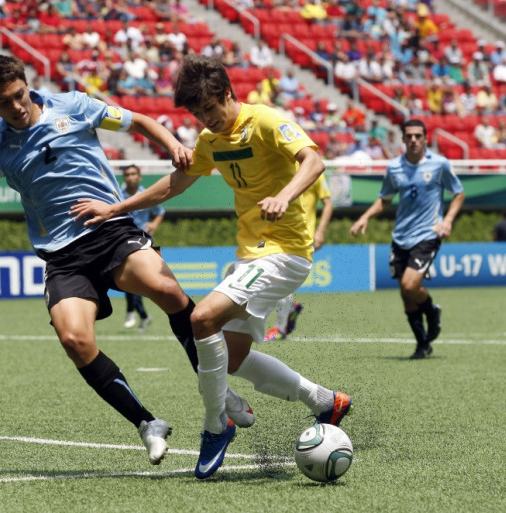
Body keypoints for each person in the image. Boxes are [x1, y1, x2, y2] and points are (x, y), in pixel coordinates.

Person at [0, 54, 253, 467]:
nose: (16, 107)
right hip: (63, 257)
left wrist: (173, 143)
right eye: (3, 103)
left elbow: (138, 121)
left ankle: (218, 390)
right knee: (75, 341)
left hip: (110, 229)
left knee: (168, 291)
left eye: (18, 96)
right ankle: (146, 423)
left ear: (27, 85)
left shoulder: (73, 105)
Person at [71, 54, 352, 479]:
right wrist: (118, 208)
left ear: (227, 94)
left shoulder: (266, 121)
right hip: (251, 255)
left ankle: (215, 425)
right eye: (198, 113)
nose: (206, 119)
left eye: (209, 108)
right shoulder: (210, 140)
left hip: (285, 251)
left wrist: (286, 196)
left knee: (201, 318)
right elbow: (174, 184)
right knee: (233, 359)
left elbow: (313, 160)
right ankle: (325, 401)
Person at [350, 119, 465, 360]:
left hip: (428, 234)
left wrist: (448, 220)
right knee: (405, 294)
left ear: (425, 139)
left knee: (409, 285)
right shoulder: (394, 168)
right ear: (403, 139)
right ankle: (423, 344)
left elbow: (458, 193)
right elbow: (385, 198)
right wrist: (365, 217)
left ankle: (432, 312)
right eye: (409, 136)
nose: (413, 140)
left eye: (418, 136)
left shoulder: (439, 164)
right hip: (401, 236)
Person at [263, 173, 333, 341]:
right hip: (277, 235)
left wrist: (320, 231)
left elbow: (328, 203)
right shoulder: (280, 167)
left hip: (302, 237)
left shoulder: (314, 172)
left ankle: (280, 328)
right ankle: (289, 309)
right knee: (275, 280)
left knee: (279, 278)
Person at [119, 164, 165, 331]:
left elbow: (160, 211)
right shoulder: (119, 195)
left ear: (139, 177)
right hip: (124, 239)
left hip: (143, 239)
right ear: (124, 177)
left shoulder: (147, 194)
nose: (131, 177)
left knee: (136, 279)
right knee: (129, 279)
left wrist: (154, 224)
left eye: (133, 174)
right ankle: (140, 314)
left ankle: (134, 311)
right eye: (127, 174)